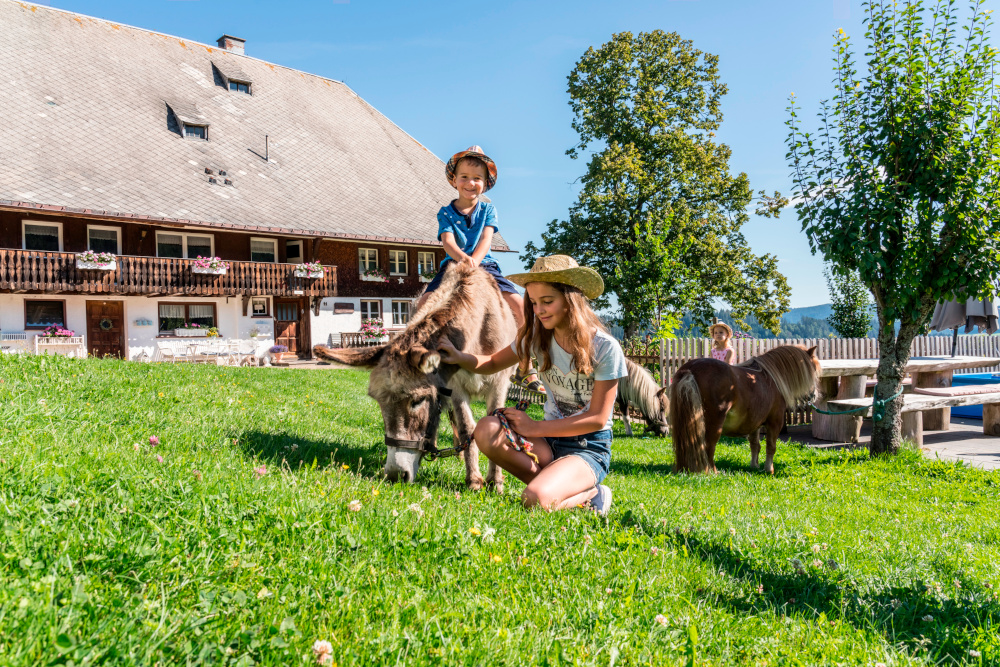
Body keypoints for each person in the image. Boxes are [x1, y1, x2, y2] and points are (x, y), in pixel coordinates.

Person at [437, 255, 627, 515]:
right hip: (547, 443)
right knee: (486, 429)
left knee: (534, 500)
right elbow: (493, 362)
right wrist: (459, 357)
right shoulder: (537, 339)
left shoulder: (605, 348)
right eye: (534, 303)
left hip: (587, 447)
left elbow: (597, 418)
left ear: (571, 301)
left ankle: (591, 493)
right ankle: (556, 485)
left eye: (547, 302)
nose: (538, 310)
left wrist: (534, 426)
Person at [415, 145, 544, 393]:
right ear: (454, 180)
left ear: (485, 184)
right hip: (454, 264)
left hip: (486, 264)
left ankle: (525, 366)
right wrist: (463, 258)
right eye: (464, 177)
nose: (470, 183)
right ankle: (431, 364)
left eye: (477, 178)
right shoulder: (445, 212)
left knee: (520, 305)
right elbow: (447, 241)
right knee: (425, 304)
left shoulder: (488, 210)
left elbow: (486, 239)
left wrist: (475, 260)